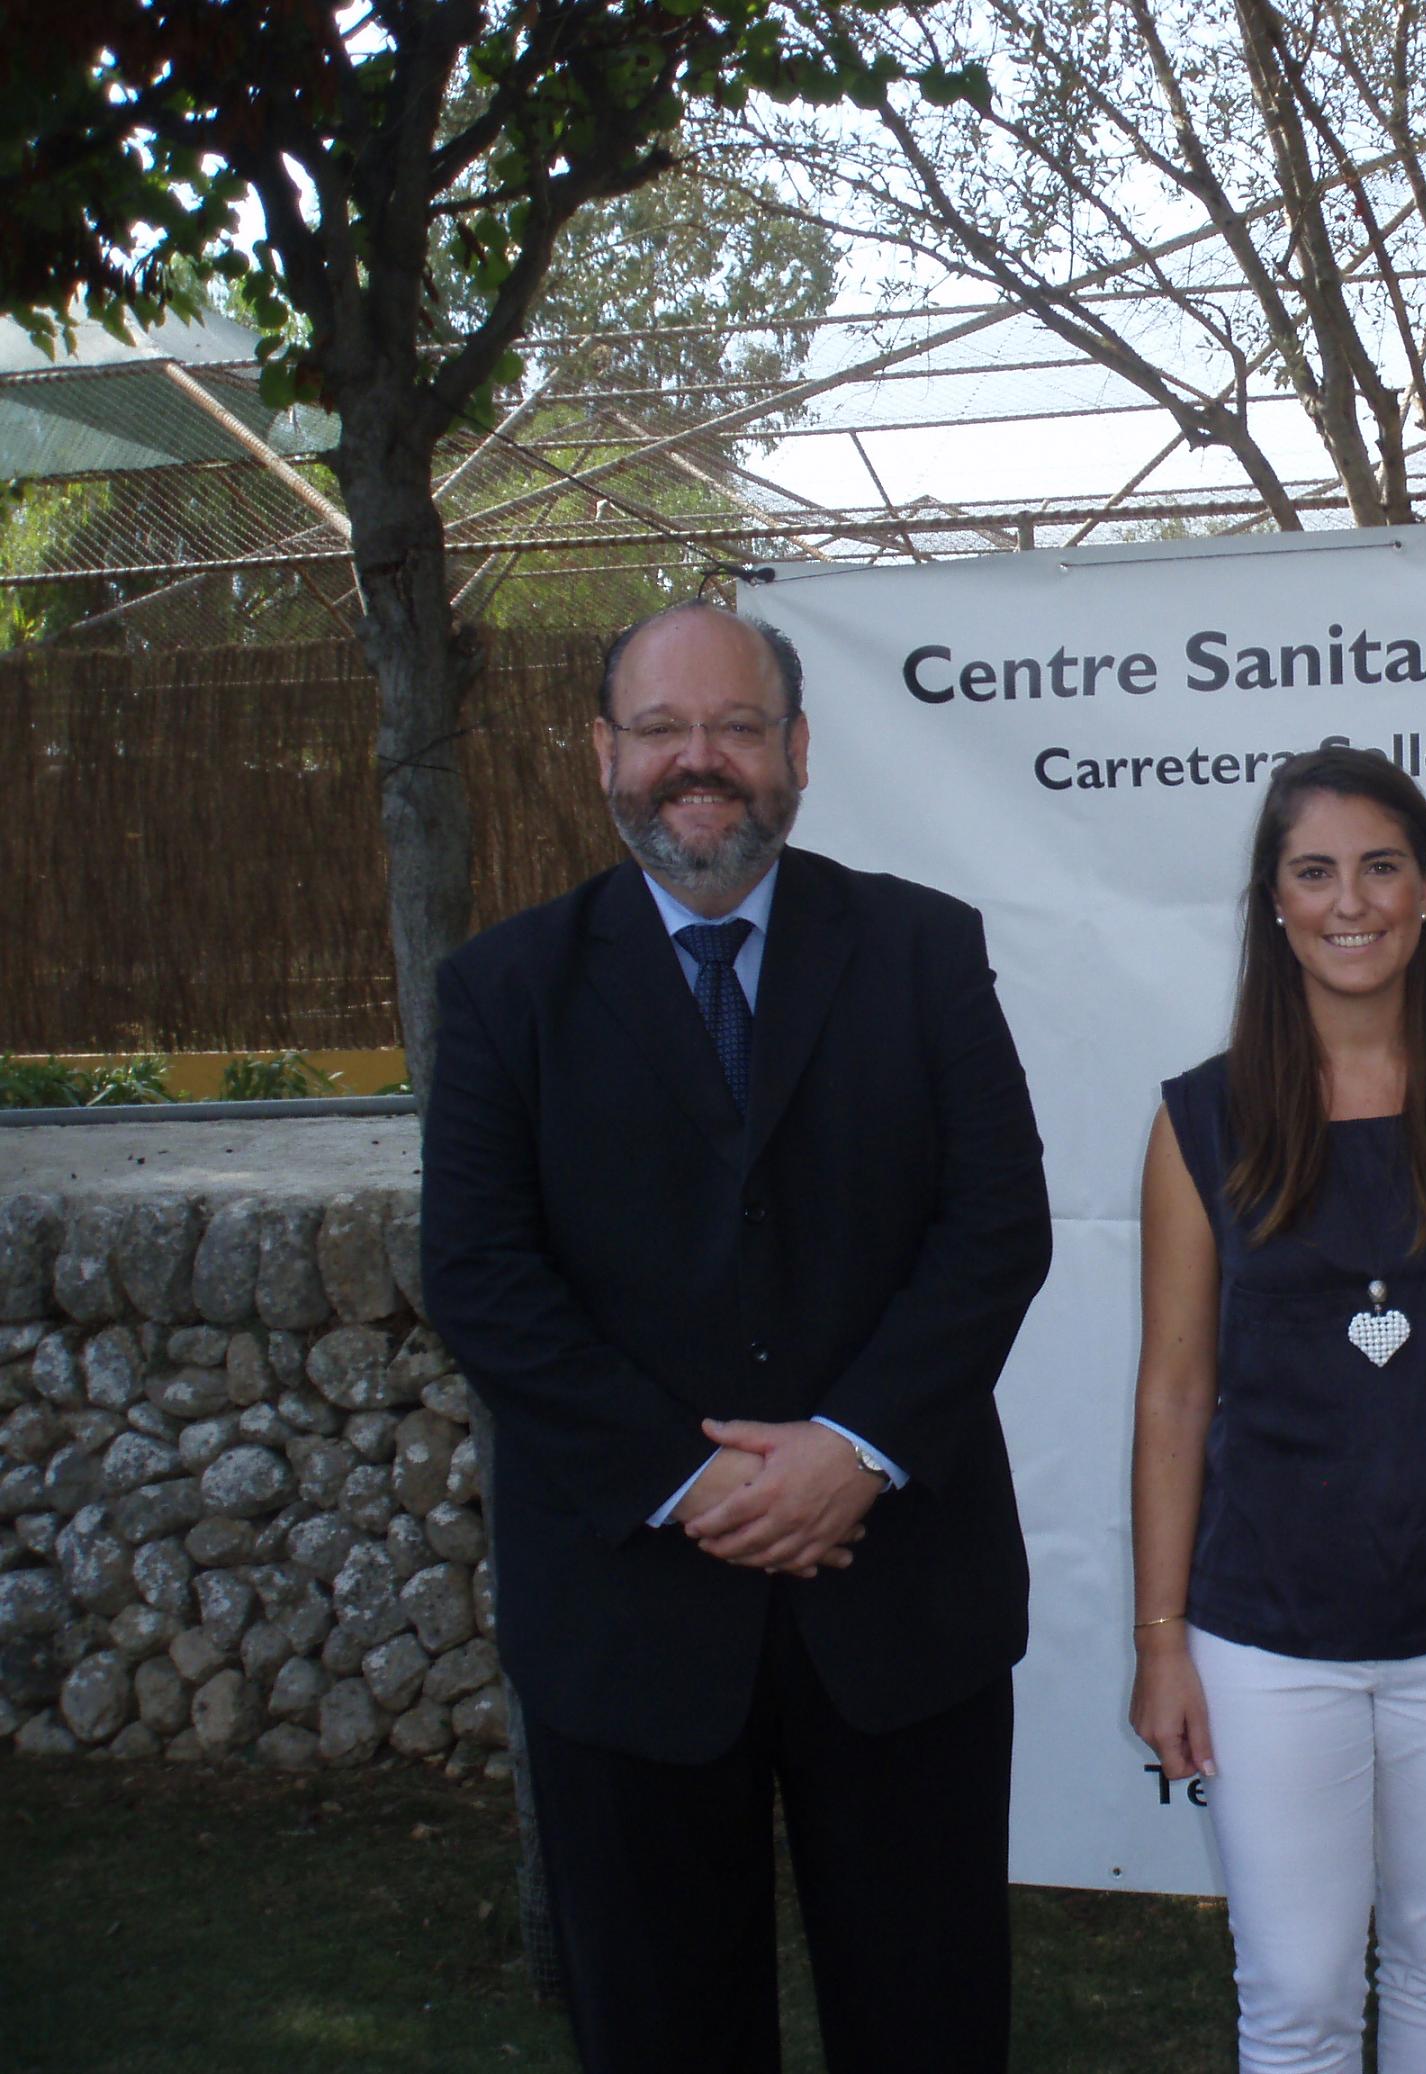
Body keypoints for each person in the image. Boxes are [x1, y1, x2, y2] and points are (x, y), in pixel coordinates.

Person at [422, 602, 1052, 2074]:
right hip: (632, 1622)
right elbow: (480, 1273)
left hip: (901, 1606)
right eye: (660, 730)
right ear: (602, 755)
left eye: (736, 727)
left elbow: (996, 1227)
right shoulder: (505, 992)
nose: (697, 762)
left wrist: (855, 1449)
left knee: (928, 2028)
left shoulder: (921, 947)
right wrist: (687, 1477)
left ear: (798, 753)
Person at [1127, 746, 1426, 2074]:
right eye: (1314, 870)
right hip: (1264, 1626)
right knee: (1291, 1986)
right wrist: (1161, 1635)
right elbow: (1174, 1391)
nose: (1350, 900)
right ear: (1273, 900)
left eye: (1380, 865)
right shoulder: (1203, 1119)